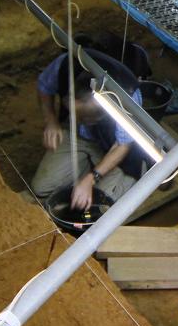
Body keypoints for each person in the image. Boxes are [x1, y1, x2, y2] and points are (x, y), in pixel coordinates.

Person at [29, 48, 156, 210]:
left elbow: (122, 145)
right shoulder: (65, 65)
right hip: (79, 136)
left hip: (116, 146)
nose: (79, 120)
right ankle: (86, 165)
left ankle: (141, 168)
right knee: (41, 187)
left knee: (99, 203)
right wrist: (51, 121)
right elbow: (44, 87)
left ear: (104, 110)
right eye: (75, 113)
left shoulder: (127, 96)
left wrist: (91, 178)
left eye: (85, 118)